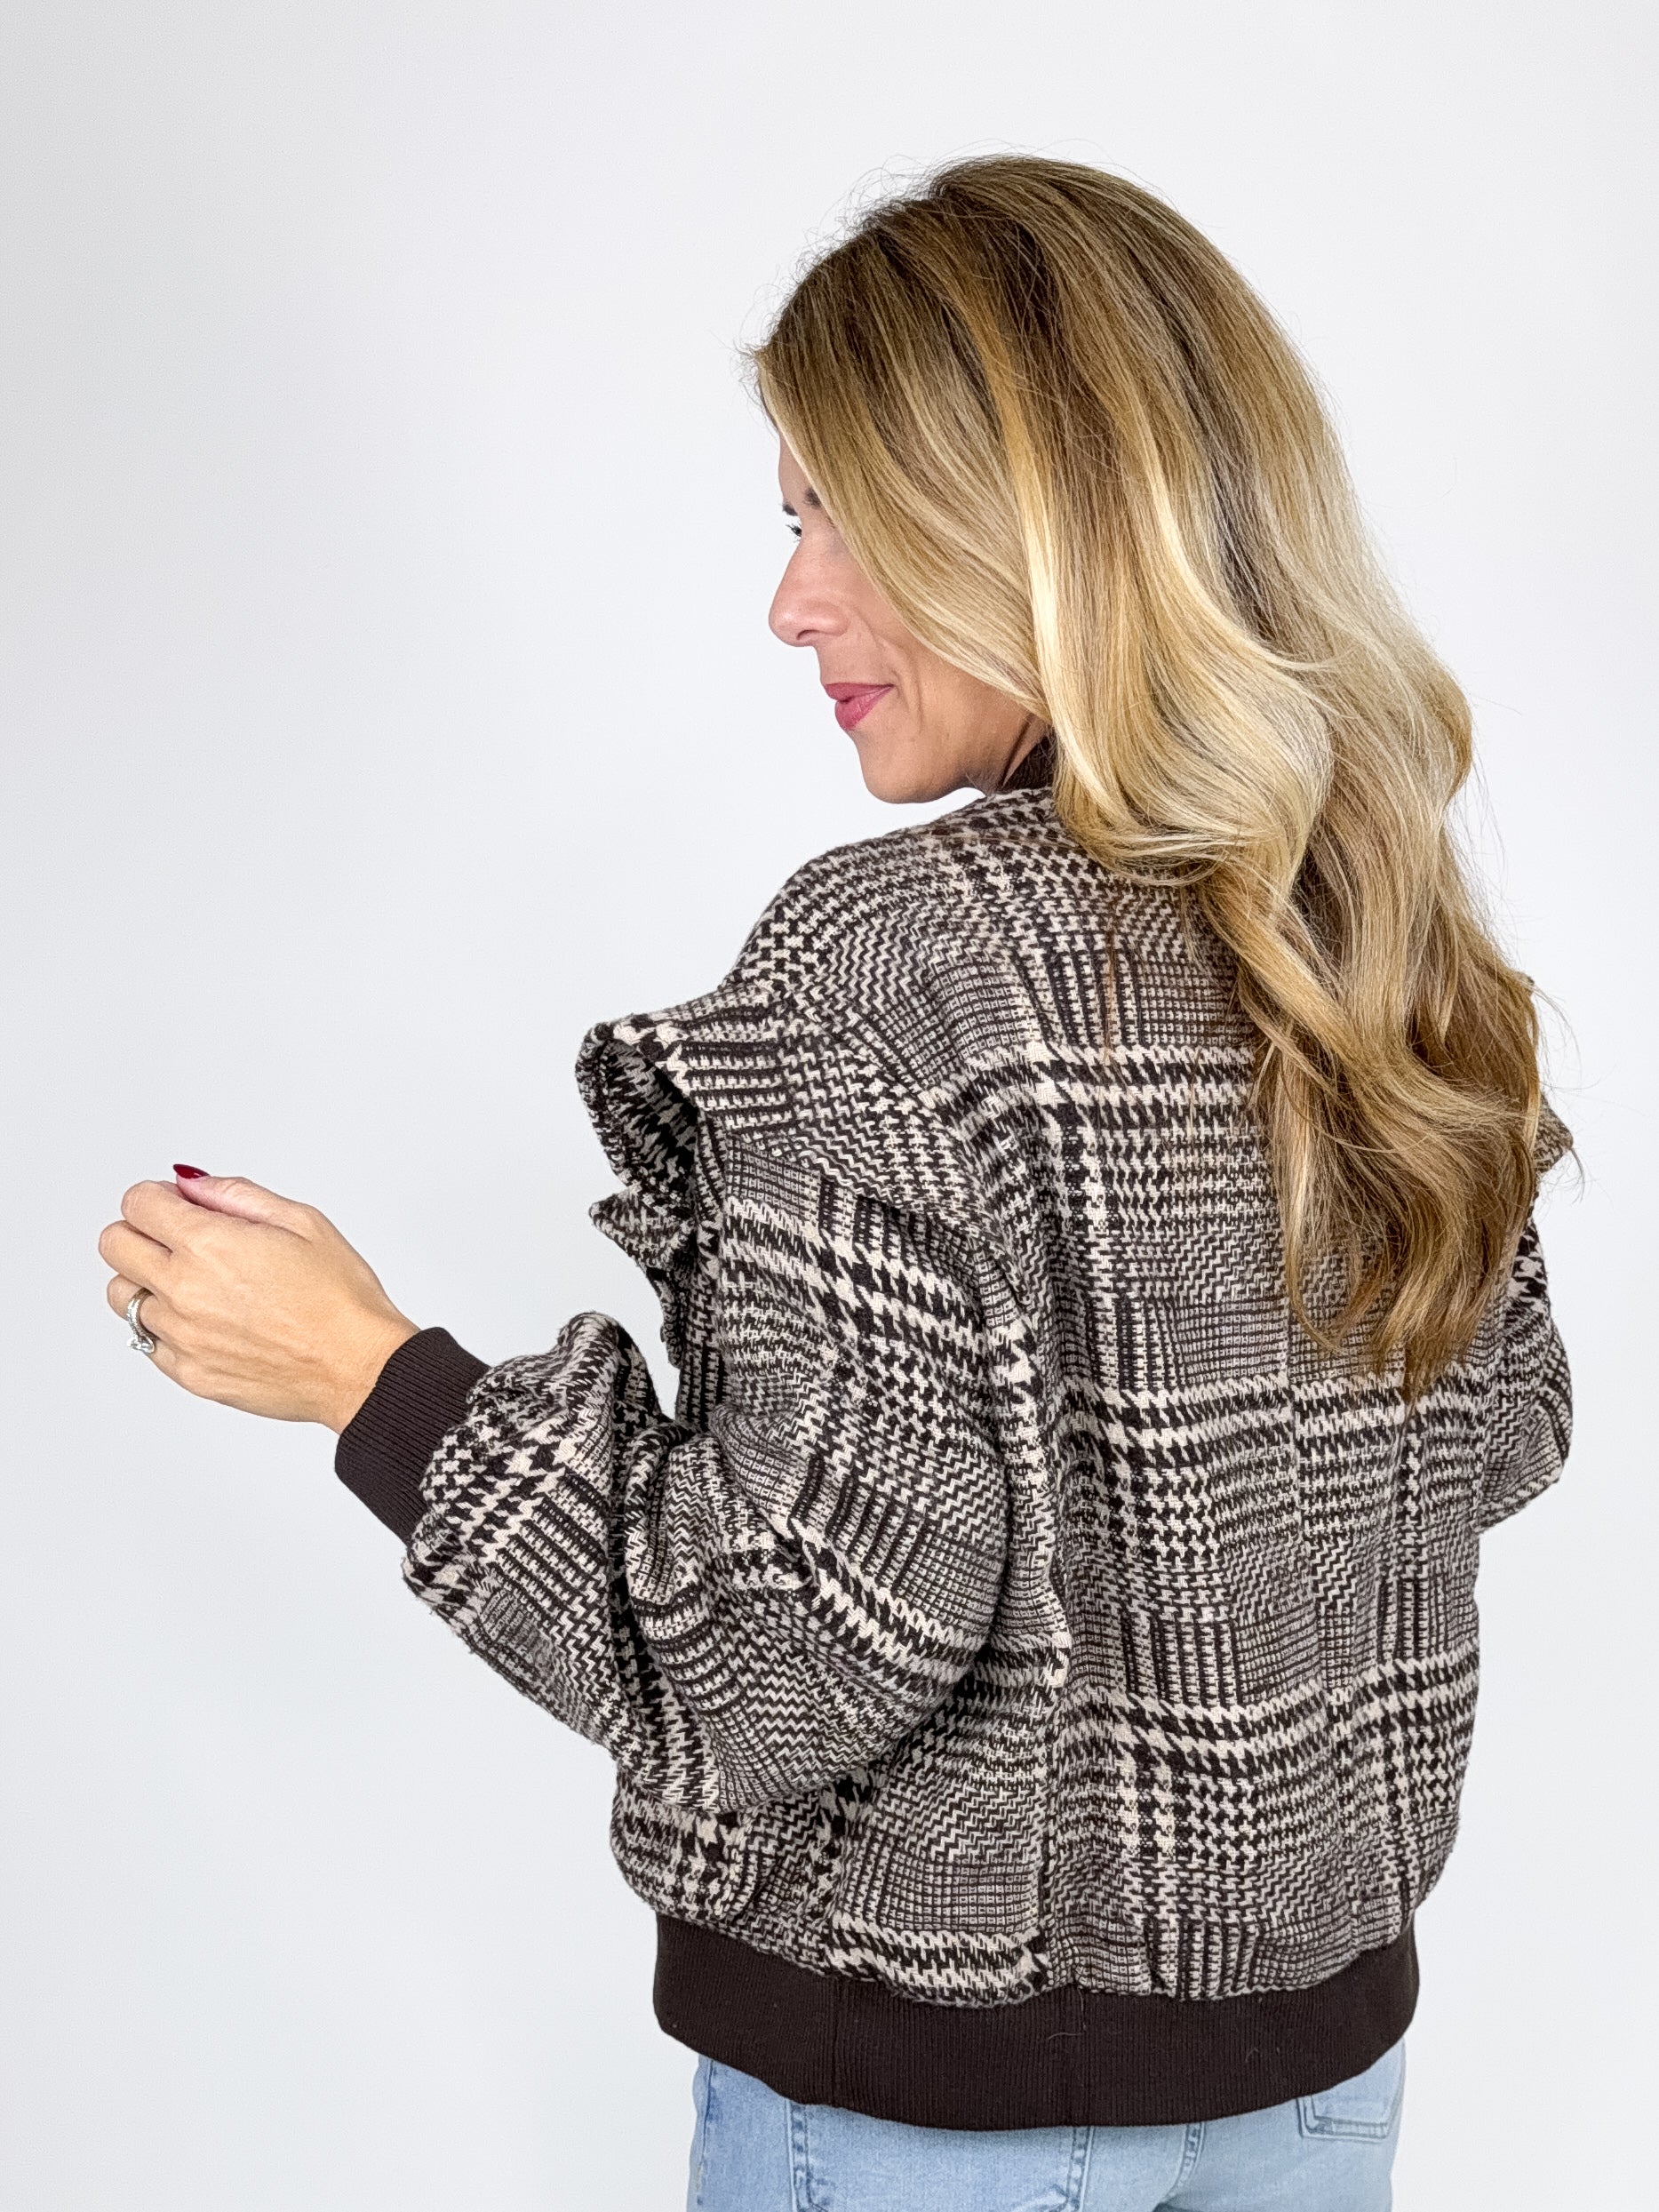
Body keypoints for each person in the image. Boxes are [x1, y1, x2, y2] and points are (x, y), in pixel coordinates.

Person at [99, 156, 1572, 2211]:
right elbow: (1502, 1433)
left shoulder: (889, 965)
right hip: (1315, 2079)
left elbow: (788, 1657)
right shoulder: (1370, 929)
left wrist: (370, 1380)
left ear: (1028, 521)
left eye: (835, 516)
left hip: (935, 2114)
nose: (791, 603)